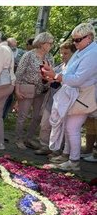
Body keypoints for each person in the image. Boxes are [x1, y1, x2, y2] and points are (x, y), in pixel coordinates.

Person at [41, 23, 96, 171]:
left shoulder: (93, 53)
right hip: (74, 95)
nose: (75, 43)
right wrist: (53, 74)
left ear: (89, 37)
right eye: (74, 40)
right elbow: (68, 73)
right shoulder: (82, 51)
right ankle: (71, 159)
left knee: (72, 128)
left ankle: (73, 161)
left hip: (83, 97)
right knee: (70, 128)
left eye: (78, 39)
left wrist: (56, 76)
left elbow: (78, 79)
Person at [14, 32, 54, 149]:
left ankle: (29, 139)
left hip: (42, 90)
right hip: (27, 88)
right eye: (50, 43)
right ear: (42, 43)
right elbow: (19, 73)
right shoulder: (29, 55)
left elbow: (52, 73)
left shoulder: (50, 57)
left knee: (37, 117)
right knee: (22, 116)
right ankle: (18, 139)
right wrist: (17, 90)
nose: (51, 45)